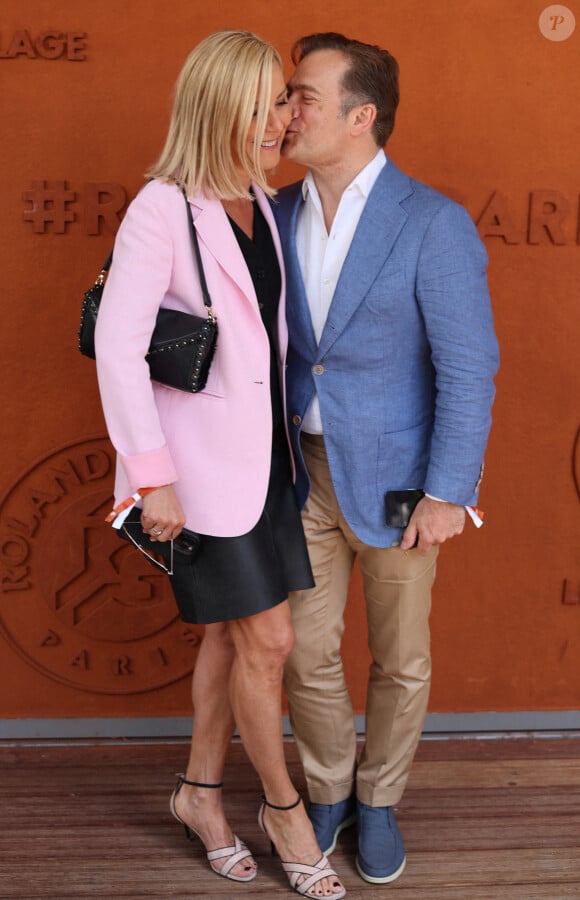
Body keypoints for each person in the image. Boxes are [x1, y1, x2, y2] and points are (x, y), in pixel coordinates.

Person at [95, 30, 346, 900]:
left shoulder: (256, 199)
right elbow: (117, 348)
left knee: (227, 637)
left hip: (266, 461)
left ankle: (200, 796)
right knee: (267, 640)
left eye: (286, 99)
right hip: (196, 476)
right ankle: (283, 810)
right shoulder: (160, 208)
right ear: (225, 108)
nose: (288, 116)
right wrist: (152, 472)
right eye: (274, 101)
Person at [274, 32, 499, 886]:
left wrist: (450, 491)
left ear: (360, 116)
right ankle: (327, 793)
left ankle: (379, 801)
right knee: (304, 649)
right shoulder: (273, 210)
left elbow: (469, 366)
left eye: (303, 95)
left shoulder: (431, 221)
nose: (287, 111)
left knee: (401, 656)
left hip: (405, 484)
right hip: (301, 469)